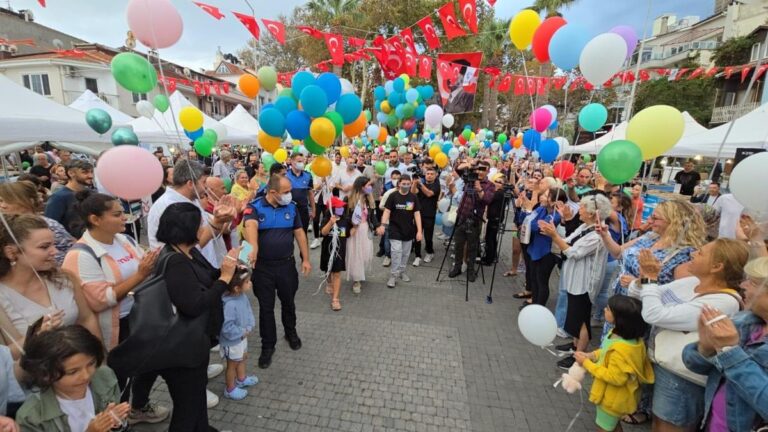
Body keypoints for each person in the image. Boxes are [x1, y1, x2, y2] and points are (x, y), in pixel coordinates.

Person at [61, 192, 169, 425]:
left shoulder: (125, 240)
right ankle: (117, 421)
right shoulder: (80, 255)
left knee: (151, 364)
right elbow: (101, 299)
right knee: (119, 377)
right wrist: (140, 274)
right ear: (95, 219)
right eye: (118, 214)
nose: (126, 218)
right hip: (116, 327)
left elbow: (146, 265)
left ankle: (139, 407)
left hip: (140, 316)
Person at [628, 238, 748, 432]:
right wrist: (646, 278)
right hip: (662, 365)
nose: (693, 254)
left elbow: (653, 313)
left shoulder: (724, 302)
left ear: (717, 266)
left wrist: (649, 280)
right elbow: (637, 292)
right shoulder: (693, 282)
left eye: (700, 253)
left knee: (668, 427)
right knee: (658, 424)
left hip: (682, 378)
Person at [151, 202, 240, 431]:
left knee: (195, 397)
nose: (203, 229)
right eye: (199, 225)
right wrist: (224, 279)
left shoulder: (187, 252)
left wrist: (229, 270)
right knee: (186, 408)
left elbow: (210, 275)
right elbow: (195, 305)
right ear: (188, 230)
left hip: (196, 342)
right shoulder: (175, 261)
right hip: (181, 350)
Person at [682, 256, 768, 432]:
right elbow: (693, 363)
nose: (743, 285)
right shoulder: (746, 322)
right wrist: (706, 349)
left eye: (751, 282)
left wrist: (730, 351)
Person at [0, 214, 101, 359]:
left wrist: (99, 359)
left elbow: (87, 318)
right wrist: (35, 337)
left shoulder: (64, 278)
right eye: (44, 247)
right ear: (11, 252)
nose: (55, 251)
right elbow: (4, 358)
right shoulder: (3, 296)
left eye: (53, 244)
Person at [243, 175, 311, 369]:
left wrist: (305, 259)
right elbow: (250, 227)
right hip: (263, 268)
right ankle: (268, 345)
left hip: (286, 266)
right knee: (266, 308)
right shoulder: (255, 207)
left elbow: (300, 234)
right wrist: (252, 248)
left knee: (288, 302)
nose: (290, 195)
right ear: (272, 192)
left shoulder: (291, 208)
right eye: (286, 192)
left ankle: (291, 333)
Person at [539, 193, 612, 370]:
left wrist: (554, 236)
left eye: (582, 208)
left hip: (585, 282)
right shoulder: (585, 227)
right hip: (573, 279)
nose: (578, 210)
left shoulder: (598, 234)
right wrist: (554, 233)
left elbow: (573, 252)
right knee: (573, 314)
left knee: (581, 319)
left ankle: (580, 354)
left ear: (593, 213)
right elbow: (567, 242)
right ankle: (574, 345)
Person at [16, 323, 130, 432]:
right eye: (73, 372)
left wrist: (116, 424)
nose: (86, 376)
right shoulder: (31, 417)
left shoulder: (104, 377)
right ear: (46, 374)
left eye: (91, 364)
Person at [574, 295, 654, 432]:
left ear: (620, 319)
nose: (605, 309)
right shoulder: (618, 334)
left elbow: (615, 377)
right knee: (613, 426)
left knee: (603, 428)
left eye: (609, 309)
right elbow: (606, 350)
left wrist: (586, 363)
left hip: (612, 400)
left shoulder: (622, 351)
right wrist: (591, 355)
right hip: (612, 397)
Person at [0, 181, 74, 266]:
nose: (3, 205)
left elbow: (66, 256)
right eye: (1, 201)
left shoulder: (48, 226)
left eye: (9, 201)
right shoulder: (5, 226)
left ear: (29, 201)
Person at [448, 161, 496, 282]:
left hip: (475, 220)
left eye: (483, 169)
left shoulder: (490, 185)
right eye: (478, 169)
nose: (480, 171)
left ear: (488, 171)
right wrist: (470, 164)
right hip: (462, 217)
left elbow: (487, 200)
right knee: (458, 245)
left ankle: (470, 271)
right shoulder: (469, 179)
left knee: (472, 247)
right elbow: (458, 169)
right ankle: (457, 267)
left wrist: (479, 189)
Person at [521, 187, 566, 309]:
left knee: (541, 281)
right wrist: (527, 211)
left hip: (546, 253)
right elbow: (524, 221)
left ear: (553, 201)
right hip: (534, 249)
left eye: (546, 196)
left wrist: (531, 217)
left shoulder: (555, 215)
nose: (542, 197)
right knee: (534, 279)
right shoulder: (541, 208)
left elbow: (539, 228)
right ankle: (533, 304)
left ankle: (539, 308)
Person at [219, 266, 258, 401]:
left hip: (242, 337)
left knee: (242, 357)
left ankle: (241, 379)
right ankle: (230, 388)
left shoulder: (242, 296)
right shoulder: (229, 305)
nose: (250, 283)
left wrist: (250, 325)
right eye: (247, 282)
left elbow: (248, 311)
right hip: (233, 341)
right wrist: (242, 332)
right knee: (232, 364)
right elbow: (227, 327)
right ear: (236, 288)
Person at [376, 174, 422, 289]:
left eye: (408, 184)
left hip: (408, 230)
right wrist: (382, 225)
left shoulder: (413, 197)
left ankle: (402, 271)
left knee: (405, 254)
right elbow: (386, 211)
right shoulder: (393, 196)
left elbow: (417, 214)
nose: (406, 186)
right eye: (403, 183)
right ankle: (393, 275)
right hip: (395, 229)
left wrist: (419, 231)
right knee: (396, 252)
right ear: (399, 184)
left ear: (411, 184)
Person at [44, 160, 94, 237]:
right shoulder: (59, 197)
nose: (90, 176)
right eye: (85, 172)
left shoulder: (93, 193)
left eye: (91, 172)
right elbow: (51, 225)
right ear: (71, 173)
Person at [320, 196, 352, 311]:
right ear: (332, 209)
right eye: (338, 207)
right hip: (327, 250)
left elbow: (348, 234)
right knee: (327, 270)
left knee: (337, 273)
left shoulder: (346, 220)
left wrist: (357, 226)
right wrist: (330, 222)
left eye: (342, 207)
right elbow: (323, 233)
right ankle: (328, 282)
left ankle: (335, 299)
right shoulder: (326, 218)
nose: (341, 209)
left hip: (339, 252)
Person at [345, 177, 376, 294]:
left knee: (365, 254)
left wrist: (377, 226)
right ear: (361, 186)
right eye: (368, 185)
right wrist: (351, 227)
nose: (370, 187)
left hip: (365, 229)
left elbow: (372, 216)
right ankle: (356, 280)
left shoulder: (368, 199)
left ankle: (359, 273)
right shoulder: (349, 199)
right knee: (355, 255)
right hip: (355, 231)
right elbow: (345, 217)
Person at [412, 166, 440, 266]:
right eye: (427, 174)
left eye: (432, 174)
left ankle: (429, 252)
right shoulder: (421, 183)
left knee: (428, 236)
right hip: (418, 214)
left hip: (429, 215)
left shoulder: (436, 185)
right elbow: (412, 192)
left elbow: (428, 194)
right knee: (417, 235)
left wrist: (420, 184)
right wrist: (415, 183)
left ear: (436, 175)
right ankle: (417, 256)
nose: (429, 175)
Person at [481, 173, 507, 267]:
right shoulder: (498, 192)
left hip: (495, 218)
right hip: (494, 217)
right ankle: (493, 256)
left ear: (503, 185)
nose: (497, 183)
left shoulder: (499, 193)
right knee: (492, 238)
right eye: (496, 181)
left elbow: (488, 199)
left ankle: (489, 259)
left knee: (489, 239)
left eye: (500, 182)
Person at [286, 153, 315, 234]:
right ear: (292, 161)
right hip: (288, 210)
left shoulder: (308, 176)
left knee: (303, 234)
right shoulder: (285, 175)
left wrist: (313, 210)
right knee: (289, 236)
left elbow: (310, 194)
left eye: (302, 161)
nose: (301, 163)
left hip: (303, 211)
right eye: (299, 161)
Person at [377, 170, 402, 263]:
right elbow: (381, 206)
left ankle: (398, 257)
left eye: (399, 179)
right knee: (387, 239)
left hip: (401, 222)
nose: (397, 181)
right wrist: (390, 210)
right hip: (388, 221)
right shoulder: (389, 192)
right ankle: (388, 256)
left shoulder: (407, 193)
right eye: (395, 179)